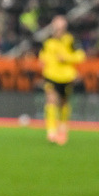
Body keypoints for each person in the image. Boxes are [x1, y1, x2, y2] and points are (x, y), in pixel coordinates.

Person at [38, 15, 85, 145]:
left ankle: (63, 128)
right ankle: (51, 131)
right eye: (56, 27)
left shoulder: (71, 39)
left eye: (61, 28)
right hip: (51, 75)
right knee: (51, 100)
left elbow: (81, 56)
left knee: (64, 103)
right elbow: (43, 54)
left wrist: (66, 58)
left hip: (66, 76)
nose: (58, 30)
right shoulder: (48, 40)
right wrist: (42, 60)